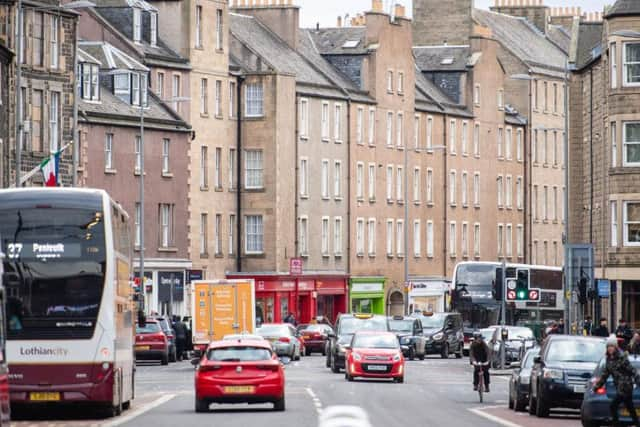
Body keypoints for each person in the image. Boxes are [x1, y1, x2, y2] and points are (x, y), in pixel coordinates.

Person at [595, 335, 640, 426]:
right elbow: (605, 375)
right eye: (608, 347)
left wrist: (638, 380)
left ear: (615, 347)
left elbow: (632, 370)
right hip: (619, 386)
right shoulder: (608, 360)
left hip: (626, 386)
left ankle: (616, 424)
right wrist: (597, 386)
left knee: (613, 406)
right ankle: (637, 423)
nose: (610, 348)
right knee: (630, 407)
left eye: (612, 346)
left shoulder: (621, 357)